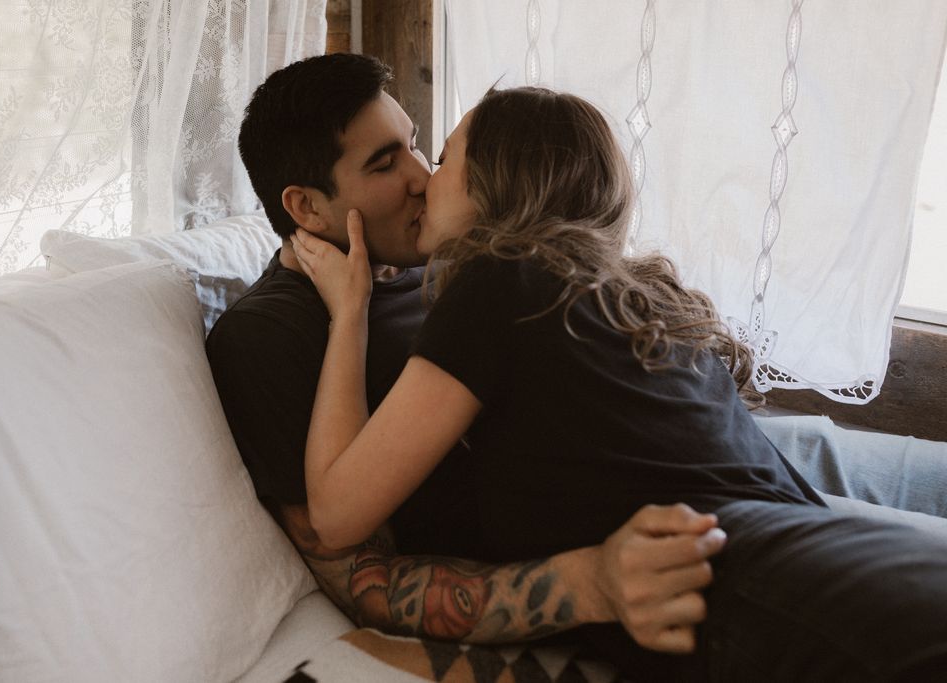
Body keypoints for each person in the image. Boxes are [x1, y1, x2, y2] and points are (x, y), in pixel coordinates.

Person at [290, 86, 947, 681]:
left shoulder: (499, 282)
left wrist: (348, 316)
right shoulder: (618, 297)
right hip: (812, 551)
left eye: (442, 158)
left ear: (496, 182)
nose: (423, 181)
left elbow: (338, 514)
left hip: (751, 580)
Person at [207, 53, 726, 654]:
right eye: (384, 163)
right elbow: (357, 575)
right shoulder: (266, 337)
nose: (423, 176)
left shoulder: (459, 266)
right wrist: (587, 584)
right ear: (304, 207)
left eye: (418, 146)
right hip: (661, 572)